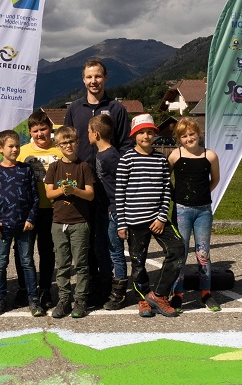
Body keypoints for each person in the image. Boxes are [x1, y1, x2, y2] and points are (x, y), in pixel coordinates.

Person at [64, 58, 130, 302]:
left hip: (109, 187)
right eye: (89, 77)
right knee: (86, 237)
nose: (93, 81)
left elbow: (125, 145)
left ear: (105, 78)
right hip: (83, 184)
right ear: (83, 79)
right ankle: (88, 284)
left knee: (106, 237)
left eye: (98, 76)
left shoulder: (116, 109)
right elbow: (68, 142)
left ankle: (108, 283)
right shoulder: (74, 109)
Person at [115, 114, 184, 319]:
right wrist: (122, 223)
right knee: (138, 262)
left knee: (178, 249)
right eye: (141, 132)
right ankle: (143, 299)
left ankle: (159, 295)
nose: (146, 136)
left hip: (158, 219)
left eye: (149, 132)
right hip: (134, 221)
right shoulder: (126, 159)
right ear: (134, 136)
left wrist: (162, 217)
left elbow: (166, 190)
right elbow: (120, 194)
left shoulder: (161, 159)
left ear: (155, 134)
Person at [0, 130, 41, 318]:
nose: (15, 149)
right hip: (3, 226)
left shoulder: (26, 169)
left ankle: (33, 298)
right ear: (1, 148)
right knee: (1, 263)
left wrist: (31, 218)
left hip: (24, 225)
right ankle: (0, 298)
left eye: (17, 145)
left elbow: (35, 197)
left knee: (27, 262)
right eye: (11, 146)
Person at [168, 117, 221, 313]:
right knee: (180, 253)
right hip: (181, 210)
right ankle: (177, 294)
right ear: (179, 139)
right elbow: (166, 179)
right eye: (184, 136)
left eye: (192, 134)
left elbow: (215, 180)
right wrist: (176, 196)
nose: (189, 138)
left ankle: (206, 293)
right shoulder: (174, 156)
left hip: (203, 211)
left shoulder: (210, 156)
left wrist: (202, 195)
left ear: (199, 134)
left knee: (203, 253)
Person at [44, 125, 95, 319]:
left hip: (79, 222)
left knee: (81, 263)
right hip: (58, 222)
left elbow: (90, 194)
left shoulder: (83, 167)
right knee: (63, 263)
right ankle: (64, 299)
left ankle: (81, 299)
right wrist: (62, 190)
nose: (68, 145)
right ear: (57, 145)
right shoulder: (54, 167)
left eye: (71, 141)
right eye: (63, 142)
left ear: (77, 142)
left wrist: (75, 191)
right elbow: (49, 193)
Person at [15, 110, 60, 310]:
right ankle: (24, 288)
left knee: (46, 251)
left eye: (43, 129)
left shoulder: (60, 151)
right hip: (26, 210)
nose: (40, 134)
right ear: (30, 132)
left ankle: (45, 290)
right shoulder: (22, 152)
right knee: (21, 251)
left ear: (50, 129)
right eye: (35, 130)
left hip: (51, 208)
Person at [88, 115, 127, 309]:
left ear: (96, 134)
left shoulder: (111, 156)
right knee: (100, 249)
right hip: (102, 210)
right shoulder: (99, 154)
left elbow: (122, 185)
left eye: (88, 131)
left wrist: (120, 215)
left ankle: (119, 293)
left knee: (115, 253)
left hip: (114, 210)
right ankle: (105, 287)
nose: (87, 135)